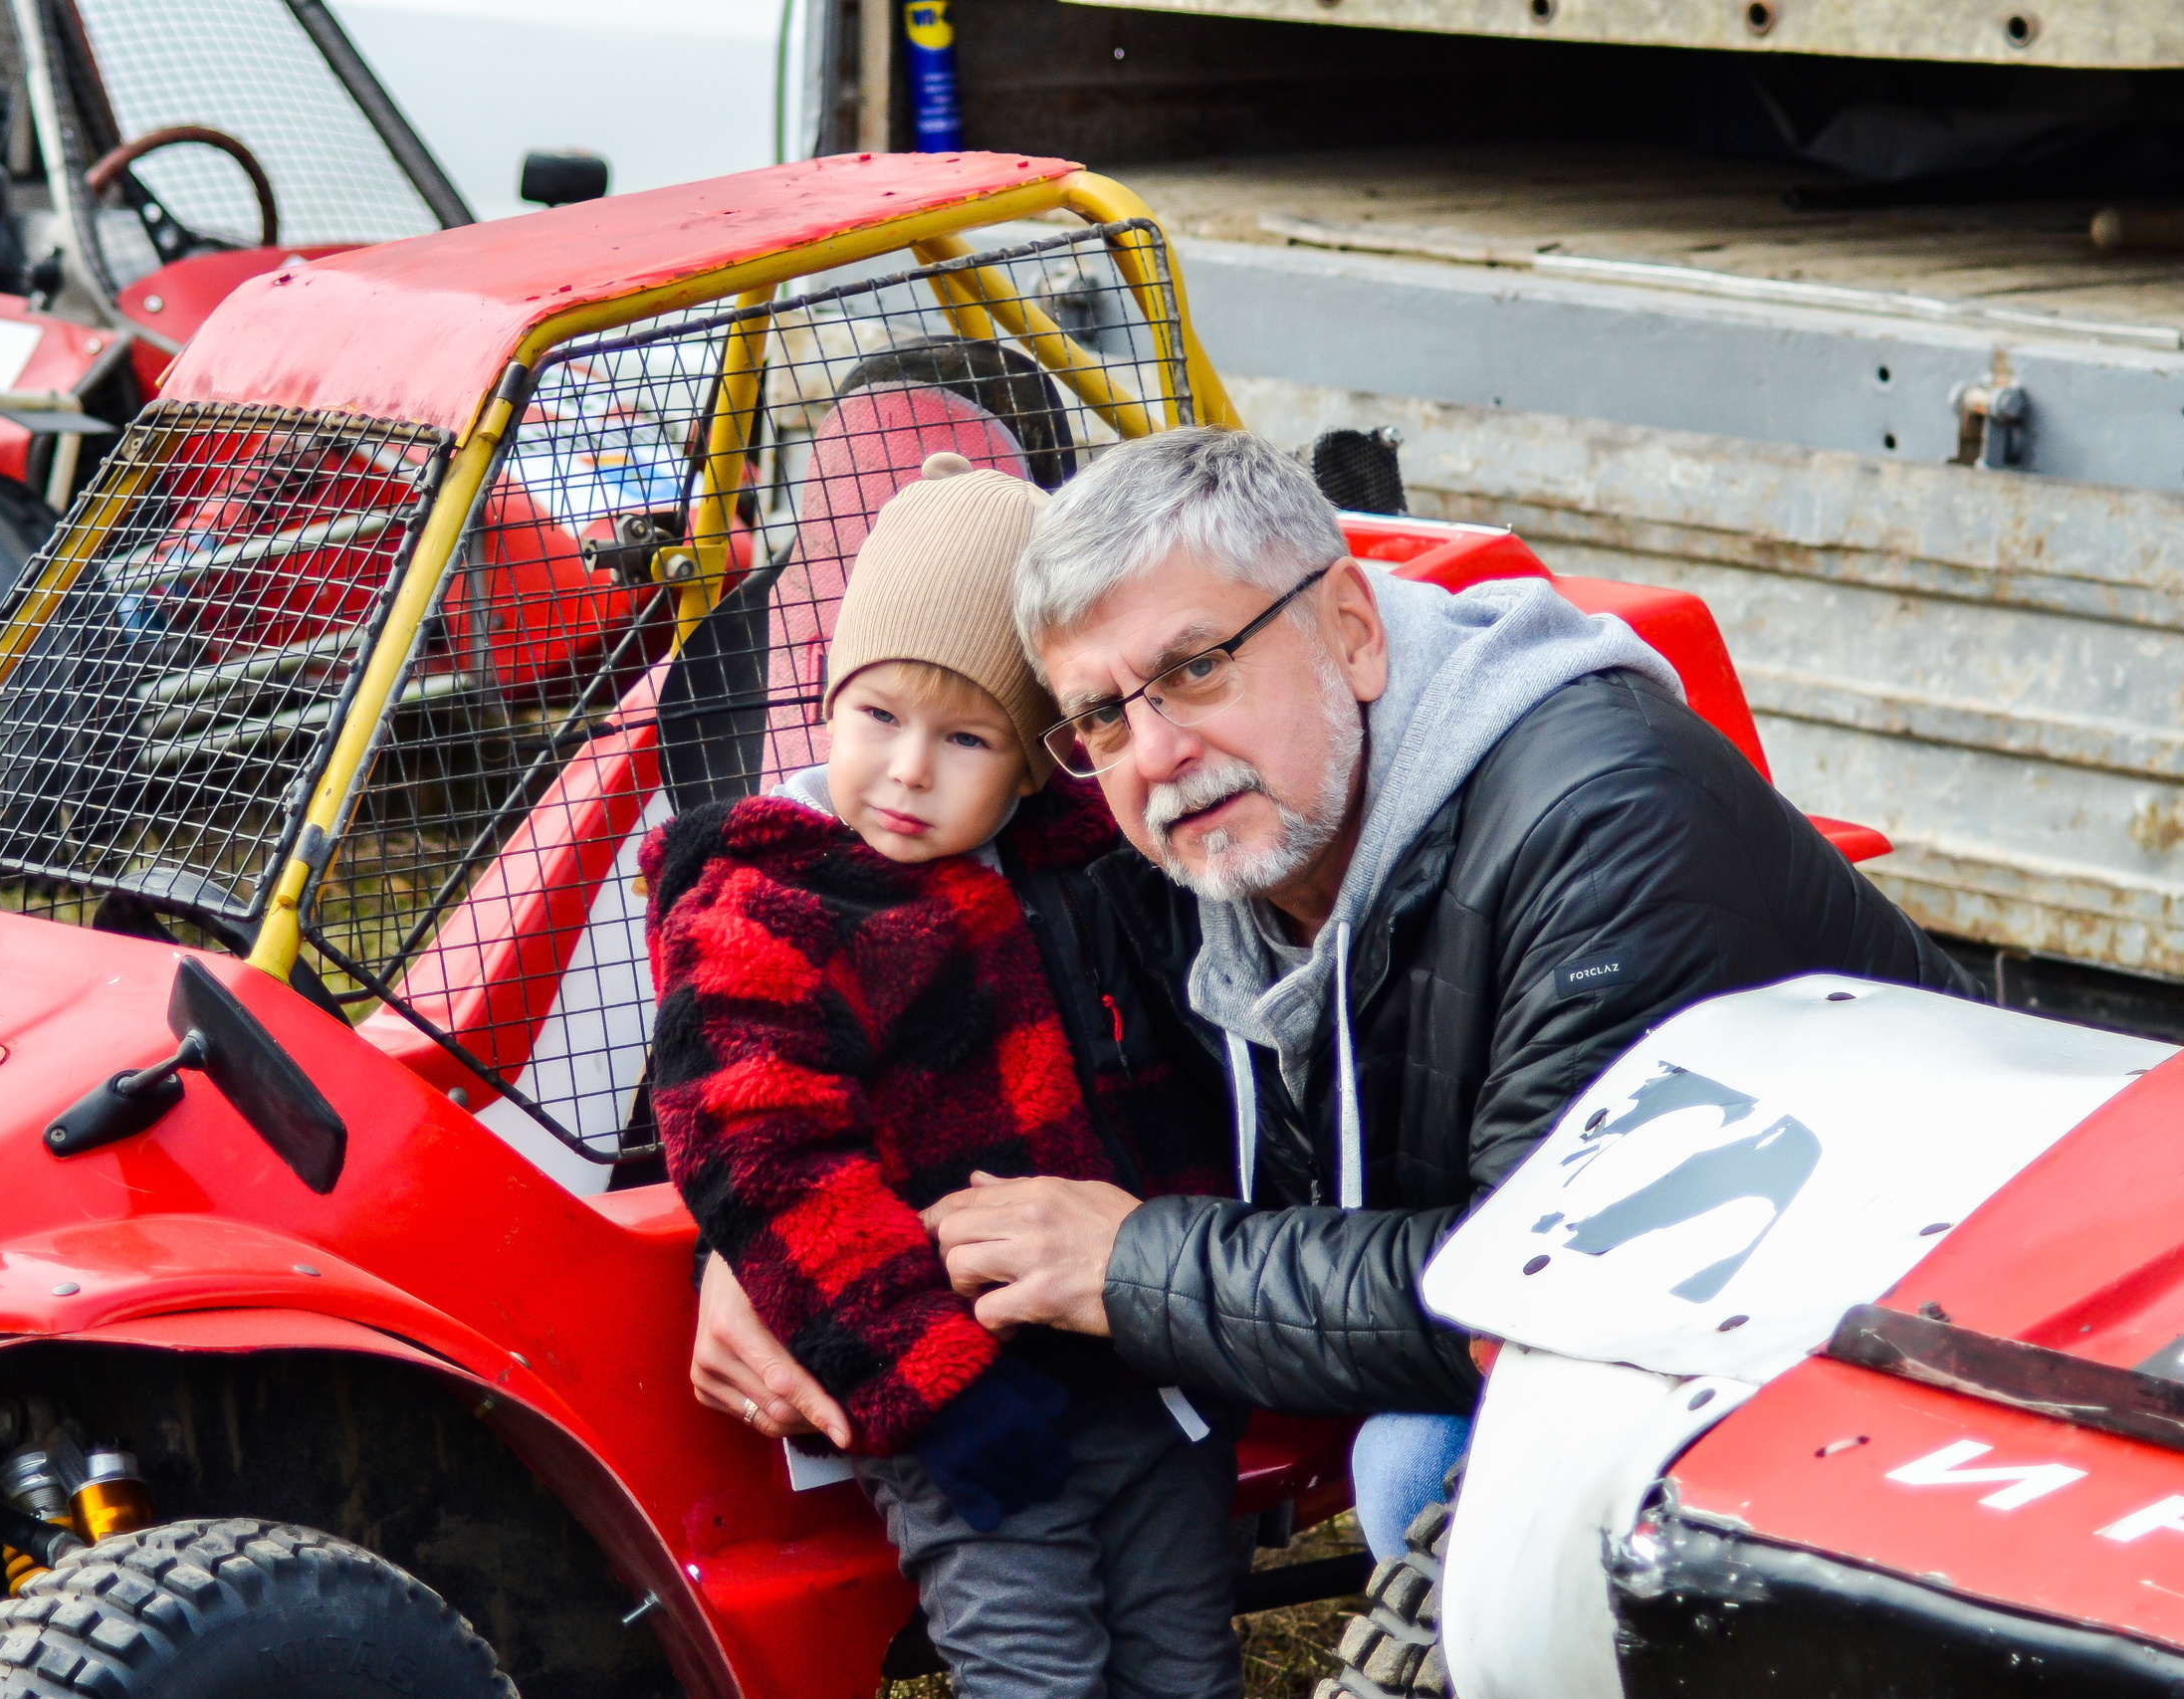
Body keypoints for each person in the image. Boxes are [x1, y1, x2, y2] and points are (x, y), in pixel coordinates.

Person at [689, 426, 1978, 1564]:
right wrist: (757, 1244)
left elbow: (1533, 1293)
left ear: (1352, 628)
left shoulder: (1604, 827)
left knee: (1420, 1465)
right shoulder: (1209, 826)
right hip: (1659, 1294)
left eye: (1196, 666)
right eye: (1102, 715)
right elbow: (917, 1002)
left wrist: (1134, 1262)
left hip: (1932, 1312)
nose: (1160, 752)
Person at [642, 454, 1243, 1699]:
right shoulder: (771, 913)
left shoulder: (1090, 861)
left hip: (1141, 1348)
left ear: (1034, 763)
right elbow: (770, 1164)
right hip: (957, 1390)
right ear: (824, 706)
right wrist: (936, 1392)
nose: (909, 769)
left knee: (1183, 1661)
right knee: (1035, 1670)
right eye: (877, 717)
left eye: (965, 735)